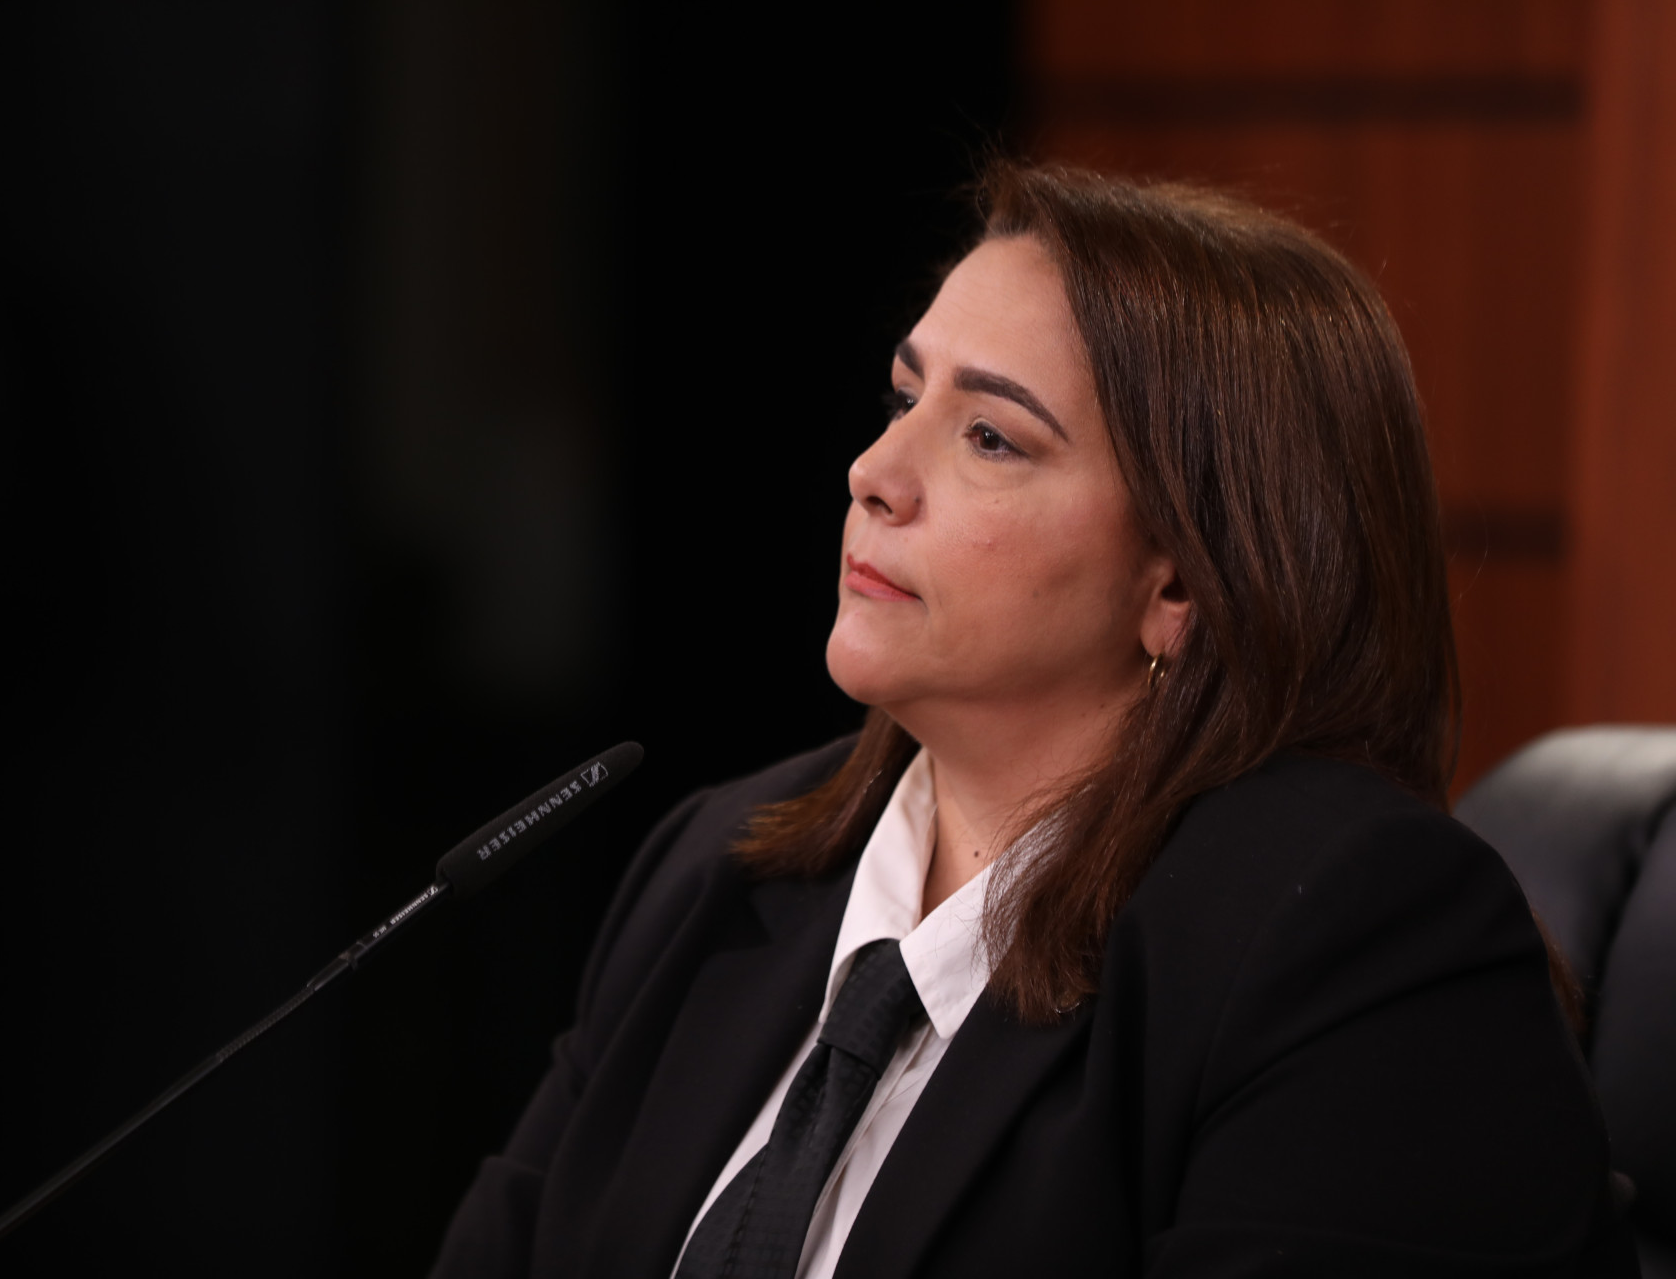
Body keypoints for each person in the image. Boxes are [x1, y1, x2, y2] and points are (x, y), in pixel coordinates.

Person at [429, 164, 1634, 1278]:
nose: (874, 472)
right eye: (904, 397)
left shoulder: (1359, 946)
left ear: (1181, 581)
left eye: (991, 436)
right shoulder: (716, 871)